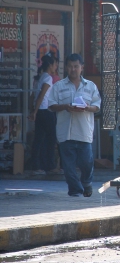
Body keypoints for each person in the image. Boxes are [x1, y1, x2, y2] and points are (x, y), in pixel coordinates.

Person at [48, 54, 101, 197]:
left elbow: (97, 106)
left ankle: (86, 183)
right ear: (66, 68)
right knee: (68, 166)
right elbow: (51, 105)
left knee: (86, 163)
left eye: (76, 66)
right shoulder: (58, 86)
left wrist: (87, 108)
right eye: (70, 66)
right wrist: (65, 106)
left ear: (82, 67)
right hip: (65, 132)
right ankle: (75, 190)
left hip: (84, 132)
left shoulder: (90, 86)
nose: (73, 69)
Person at [28, 55, 59, 175]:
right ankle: (50, 165)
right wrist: (34, 111)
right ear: (50, 65)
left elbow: (33, 96)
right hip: (45, 110)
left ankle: (37, 166)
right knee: (51, 139)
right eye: (55, 64)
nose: (56, 67)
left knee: (39, 139)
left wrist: (33, 110)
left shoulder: (40, 78)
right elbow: (41, 96)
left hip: (40, 111)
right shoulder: (48, 78)